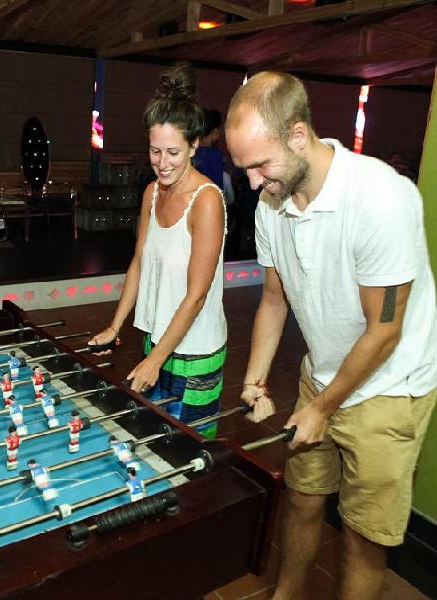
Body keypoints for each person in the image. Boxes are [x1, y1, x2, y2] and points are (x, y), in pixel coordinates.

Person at [225, 71, 437, 600]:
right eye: (243, 168)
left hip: (390, 387)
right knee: (301, 499)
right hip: (321, 376)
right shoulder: (272, 203)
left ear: (298, 135)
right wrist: (255, 380)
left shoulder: (380, 198)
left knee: (362, 536)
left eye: (260, 165)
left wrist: (322, 408)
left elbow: (385, 329)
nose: (251, 183)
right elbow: (274, 300)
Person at [89, 62, 227, 438]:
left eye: (172, 152)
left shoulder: (207, 200)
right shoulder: (151, 193)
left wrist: (155, 360)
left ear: (194, 145)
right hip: (156, 340)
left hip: (194, 352)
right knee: (155, 440)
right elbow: (139, 262)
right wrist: (115, 325)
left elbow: (197, 295)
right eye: (154, 151)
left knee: (188, 448)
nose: (162, 164)